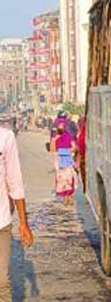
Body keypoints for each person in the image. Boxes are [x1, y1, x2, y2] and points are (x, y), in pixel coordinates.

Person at [0, 124, 34, 301]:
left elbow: (15, 181)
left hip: (1, 221)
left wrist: (23, 223)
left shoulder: (5, 137)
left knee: (1, 283)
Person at [51, 120, 77, 205]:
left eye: (62, 127)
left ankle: (70, 197)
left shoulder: (69, 136)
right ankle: (66, 197)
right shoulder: (55, 139)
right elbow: (53, 150)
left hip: (68, 161)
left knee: (69, 179)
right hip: (59, 162)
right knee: (61, 180)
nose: (60, 129)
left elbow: (74, 147)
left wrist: (67, 151)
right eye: (59, 127)